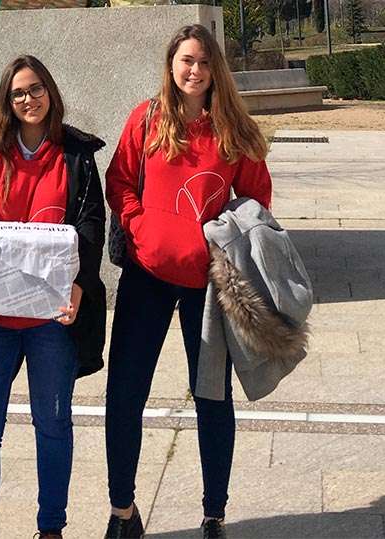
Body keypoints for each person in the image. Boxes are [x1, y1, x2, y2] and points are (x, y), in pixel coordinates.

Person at [103, 25, 273, 539]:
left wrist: (227, 241)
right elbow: (119, 181)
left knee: (212, 399)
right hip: (146, 279)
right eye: (185, 60)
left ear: (214, 68)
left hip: (208, 289)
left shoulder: (233, 131)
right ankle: (123, 512)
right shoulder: (147, 118)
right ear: (171, 64)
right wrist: (137, 225)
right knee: (124, 395)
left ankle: (214, 513)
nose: (193, 69)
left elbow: (257, 202)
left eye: (202, 61)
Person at [0, 55, 107, 539]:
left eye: (36, 89)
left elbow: (92, 226)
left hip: (50, 321)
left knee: (54, 427)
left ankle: (51, 528)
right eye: (18, 93)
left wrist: (81, 284)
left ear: (50, 93)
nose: (28, 100)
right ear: (7, 100)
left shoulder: (76, 154)